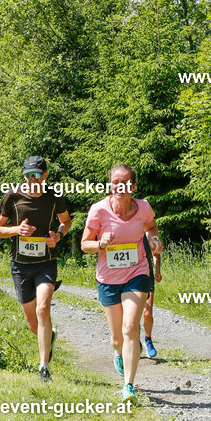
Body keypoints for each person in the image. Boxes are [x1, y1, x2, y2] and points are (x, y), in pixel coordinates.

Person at [81, 164, 162, 403]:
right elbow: (85, 244)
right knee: (117, 337)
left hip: (137, 273)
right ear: (110, 185)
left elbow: (151, 227)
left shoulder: (143, 207)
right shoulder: (98, 211)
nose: (120, 186)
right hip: (108, 279)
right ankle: (118, 351)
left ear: (133, 186)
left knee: (130, 328)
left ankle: (128, 386)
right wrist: (100, 244)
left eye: (125, 182)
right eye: (115, 182)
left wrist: (154, 241)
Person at [0, 156, 71, 383]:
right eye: (29, 175)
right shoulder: (12, 196)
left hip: (46, 262)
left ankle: (43, 366)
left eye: (37, 175)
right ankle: (50, 337)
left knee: (43, 308)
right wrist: (17, 229)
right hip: (20, 265)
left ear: (45, 176)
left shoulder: (54, 197)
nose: (32, 179)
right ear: (24, 175)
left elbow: (66, 222)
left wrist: (58, 235)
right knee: (31, 322)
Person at [142, 232, 163, 358]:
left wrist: (157, 271)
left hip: (146, 274)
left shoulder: (147, 233)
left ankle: (148, 340)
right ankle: (134, 342)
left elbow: (156, 253)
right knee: (132, 314)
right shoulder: (123, 229)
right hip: (128, 275)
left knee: (147, 313)